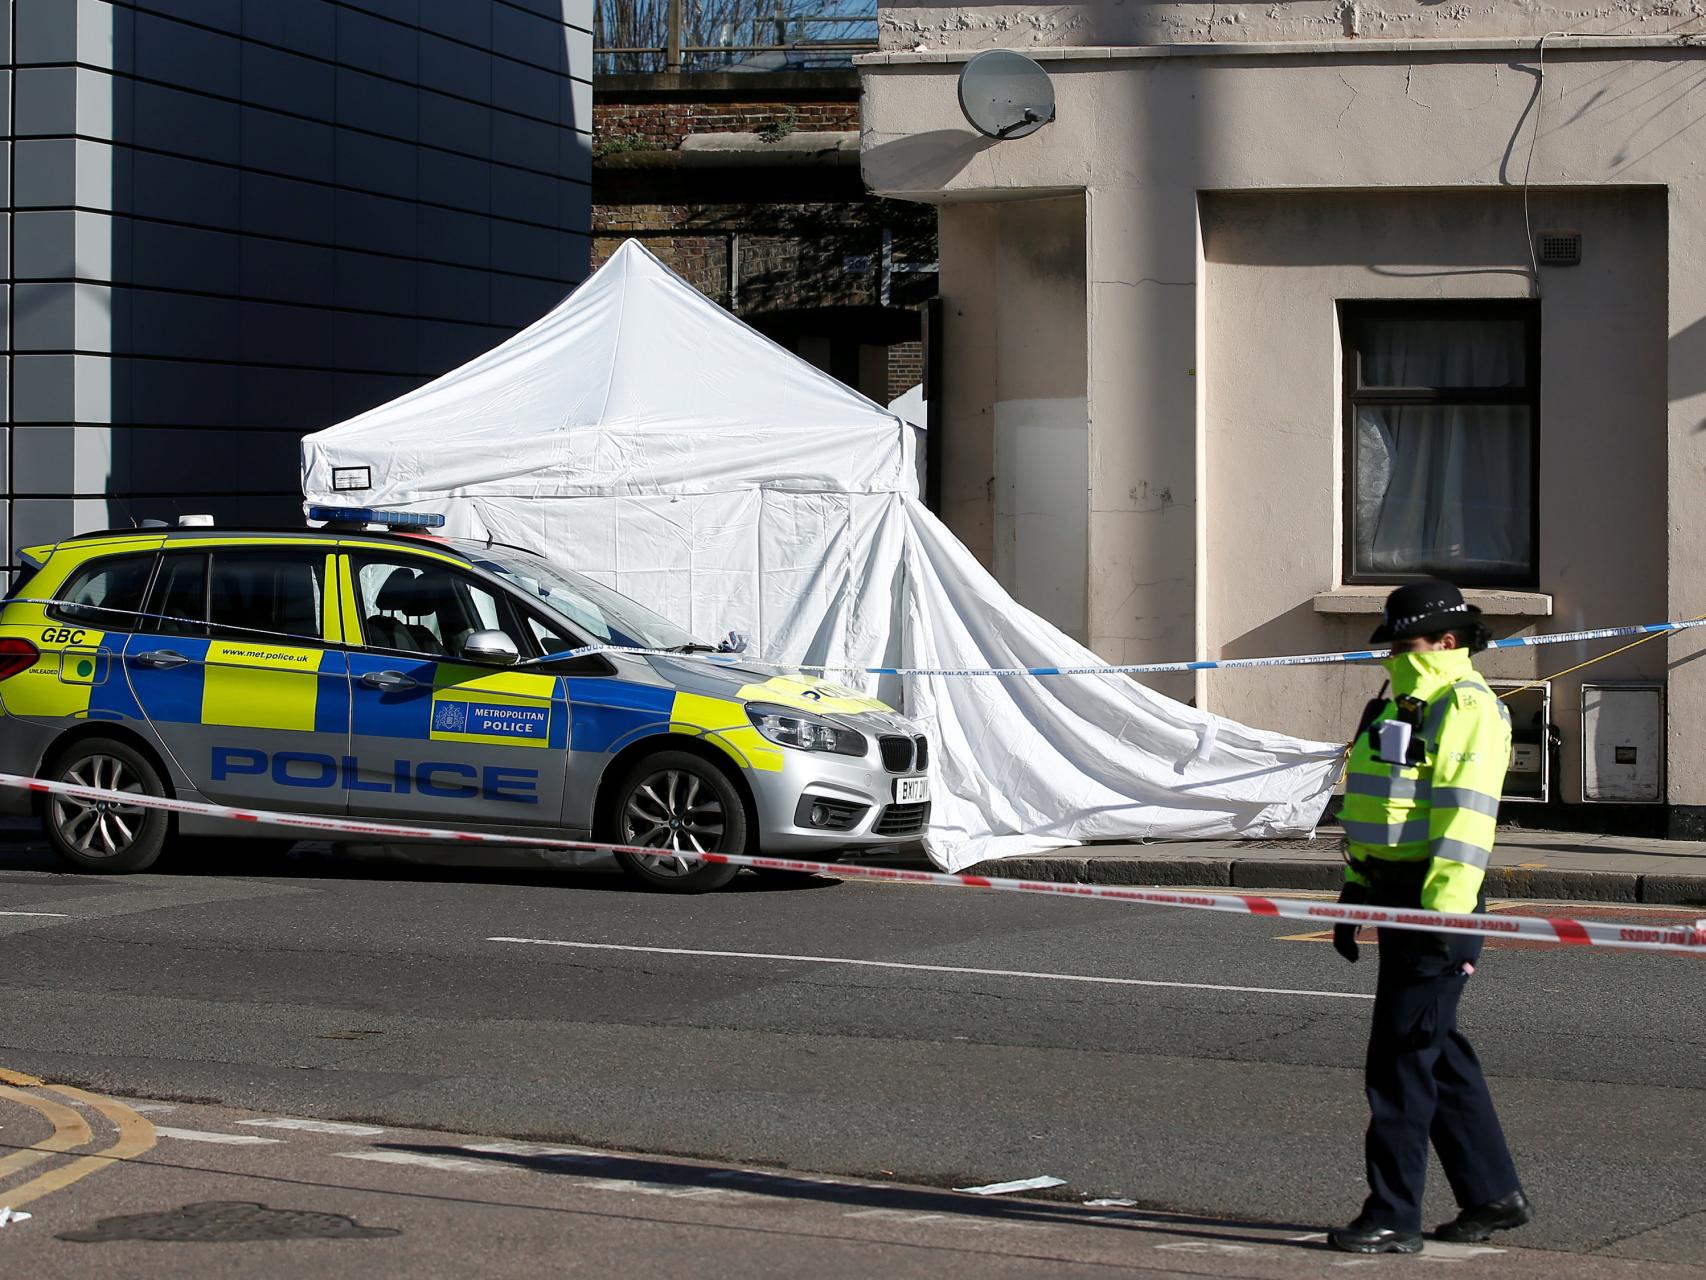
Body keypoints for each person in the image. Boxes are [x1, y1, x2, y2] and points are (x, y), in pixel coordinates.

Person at [1327, 580, 1533, 1255]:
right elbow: (1381, 805)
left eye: (1404, 643)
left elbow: (1465, 824)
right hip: (1395, 896)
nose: (1392, 655)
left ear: (1448, 641)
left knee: (1400, 1061)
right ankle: (1493, 1196)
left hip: (1433, 905)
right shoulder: (1405, 701)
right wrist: (1356, 891)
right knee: (1434, 1050)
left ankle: (1393, 1214)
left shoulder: (1467, 706)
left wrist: (1440, 920)